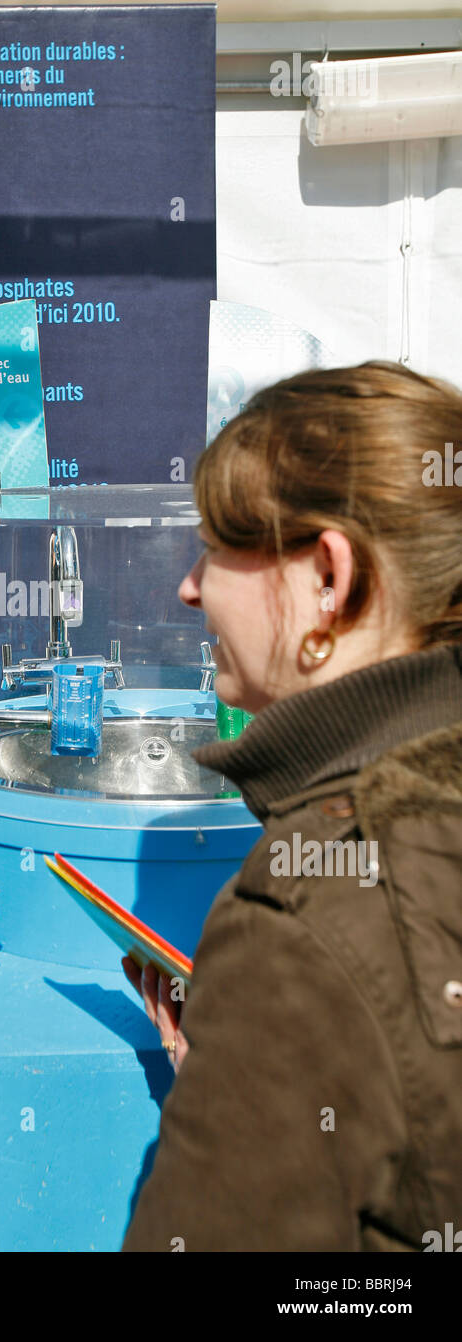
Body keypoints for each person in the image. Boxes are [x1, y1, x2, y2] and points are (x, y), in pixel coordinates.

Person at [123, 360, 462, 1252]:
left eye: (217, 548)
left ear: (327, 578)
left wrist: (269, 1033)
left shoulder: (299, 912)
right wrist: (257, 1083)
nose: (189, 588)